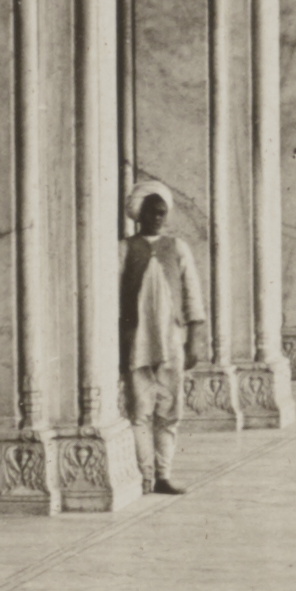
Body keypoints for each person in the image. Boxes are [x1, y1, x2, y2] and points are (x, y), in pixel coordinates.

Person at [120, 178, 208, 495]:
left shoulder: (178, 248)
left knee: (169, 410)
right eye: (152, 211)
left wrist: (195, 338)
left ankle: (163, 474)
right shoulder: (125, 249)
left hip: (172, 340)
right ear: (139, 213)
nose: (158, 217)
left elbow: (193, 297)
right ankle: (145, 477)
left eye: (161, 212)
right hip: (136, 342)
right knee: (141, 409)